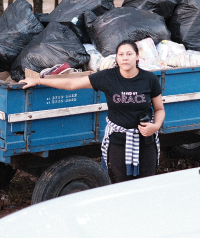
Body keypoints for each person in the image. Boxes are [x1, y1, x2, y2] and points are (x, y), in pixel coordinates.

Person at [20, 40, 165, 182]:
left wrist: (156, 126)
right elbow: (72, 83)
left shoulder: (149, 79)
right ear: (116, 58)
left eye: (129, 54)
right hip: (118, 141)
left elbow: (159, 109)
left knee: (147, 184)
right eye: (121, 54)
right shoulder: (108, 77)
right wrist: (38, 80)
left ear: (137, 56)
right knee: (122, 184)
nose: (125, 58)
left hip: (146, 141)